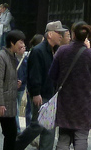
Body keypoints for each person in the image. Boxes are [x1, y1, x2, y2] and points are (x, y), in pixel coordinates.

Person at [49, 21, 91, 150]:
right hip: (84, 103)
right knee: (81, 137)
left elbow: (52, 75)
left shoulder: (62, 51)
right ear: (87, 37)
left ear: (73, 34)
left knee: (63, 137)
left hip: (65, 101)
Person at [15, 22, 66, 150]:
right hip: (41, 95)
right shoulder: (38, 51)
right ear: (49, 34)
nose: (61, 35)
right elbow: (34, 74)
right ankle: (15, 145)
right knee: (37, 125)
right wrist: (36, 93)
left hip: (51, 95)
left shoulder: (53, 50)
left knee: (49, 128)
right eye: (58, 33)